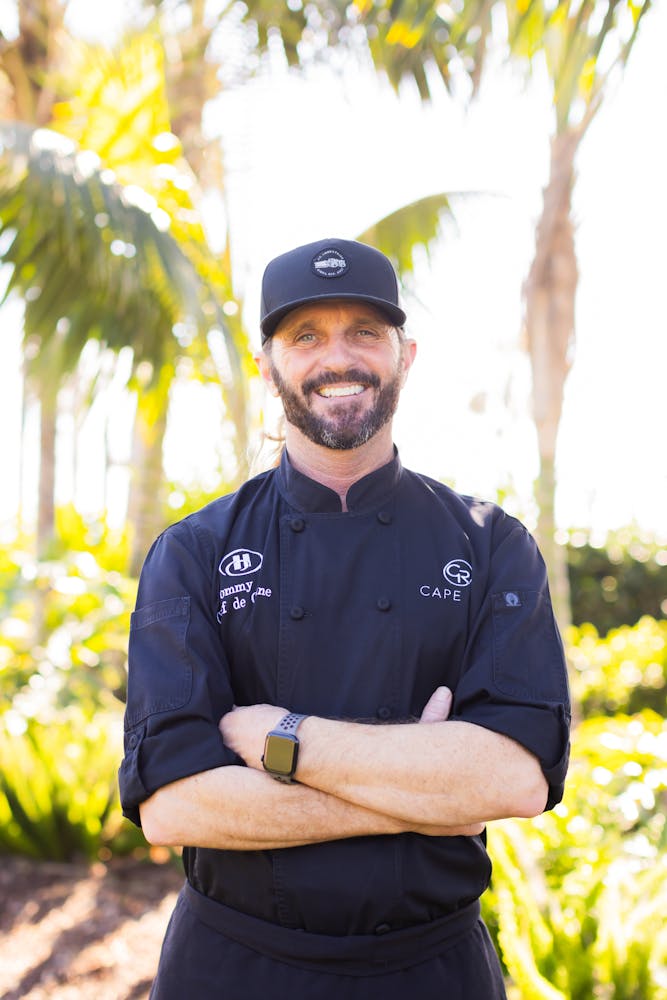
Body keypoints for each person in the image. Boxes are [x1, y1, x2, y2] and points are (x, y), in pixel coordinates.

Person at [119, 237, 571, 999]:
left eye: (364, 331)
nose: (339, 358)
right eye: (306, 336)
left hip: (432, 971)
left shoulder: (491, 542)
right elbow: (174, 804)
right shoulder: (194, 551)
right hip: (233, 968)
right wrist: (423, 795)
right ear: (267, 363)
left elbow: (515, 778)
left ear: (406, 354)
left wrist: (282, 740)